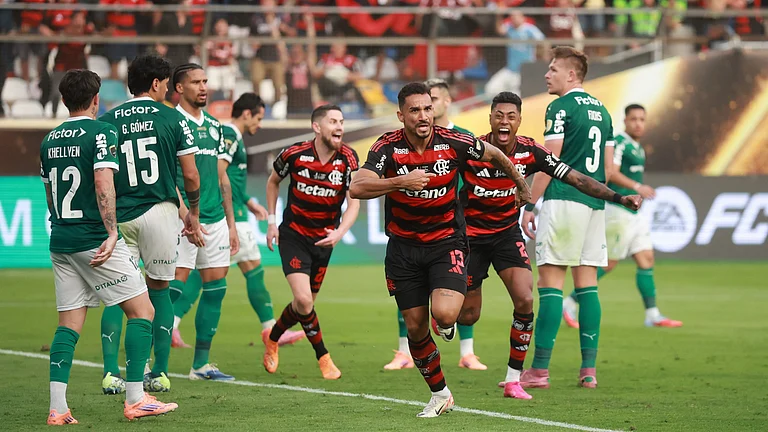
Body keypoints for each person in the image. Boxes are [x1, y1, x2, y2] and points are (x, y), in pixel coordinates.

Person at [348, 82, 532, 418]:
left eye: (427, 109)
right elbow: (357, 186)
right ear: (401, 115)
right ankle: (440, 394)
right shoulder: (387, 147)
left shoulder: (454, 142)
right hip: (403, 248)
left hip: (446, 241)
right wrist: (398, 182)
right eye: (415, 110)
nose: (423, 115)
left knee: (445, 315)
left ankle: (447, 325)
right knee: (416, 328)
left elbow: (495, 154)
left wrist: (520, 183)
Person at [463, 92, 642, 399]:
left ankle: (516, 378)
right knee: (466, 316)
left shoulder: (531, 151)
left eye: (511, 116)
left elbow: (576, 178)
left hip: (507, 235)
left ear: (519, 121)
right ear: (490, 118)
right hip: (471, 238)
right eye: (499, 115)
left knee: (526, 299)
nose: (504, 122)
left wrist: (617, 197)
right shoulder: (470, 150)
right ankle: (582, 369)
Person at [41, 69, 177, 425]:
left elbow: (48, 194)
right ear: (96, 98)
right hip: (93, 239)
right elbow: (103, 182)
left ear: (63, 100)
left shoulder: (49, 140)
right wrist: (111, 231)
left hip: (62, 240)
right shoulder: (102, 132)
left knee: (68, 324)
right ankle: (135, 398)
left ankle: (58, 408)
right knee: (142, 310)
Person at [97, 55, 203, 395]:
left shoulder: (109, 119)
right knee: (159, 291)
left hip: (122, 214)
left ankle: (112, 373)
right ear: (156, 84)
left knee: (116, 294)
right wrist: (194, 212)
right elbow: (189, 173)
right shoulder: (173, 117)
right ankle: (159, 372)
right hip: (160, 212)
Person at [520, 46, 615, 389]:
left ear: (571, 75)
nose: (547, 75)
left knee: (550, 286)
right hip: (593, 205)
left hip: (563, 202)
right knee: (587, 285)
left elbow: (551, 160)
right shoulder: (603, 112)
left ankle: (539, 370)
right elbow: (607, 168)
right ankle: (588, 369)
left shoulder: (559, 107)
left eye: (553, 69)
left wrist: (530, 203)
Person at [383, 77, 483, 372]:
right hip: (408, 232)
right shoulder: (397, 144)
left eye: (433, 102)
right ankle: (404, 349)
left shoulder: (461, 139)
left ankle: (467, 350)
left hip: (452, 225)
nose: (427, 111)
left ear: (446, 102)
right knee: (413, 299)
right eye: (419, 107)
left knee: (453, 299)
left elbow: (478, 176)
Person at [262, 104, 360, 380]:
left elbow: (354, 203)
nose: (339, 126)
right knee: (305, 300)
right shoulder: (294, 154)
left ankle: (273, 338)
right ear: (317, 127)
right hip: (294, 236)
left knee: (302, 306)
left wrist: (339, 232)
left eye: (341, 121)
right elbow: (272, 182)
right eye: (333, 121)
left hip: (324, 241)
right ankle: (324, 358)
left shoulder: (349, 159)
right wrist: (271, 221)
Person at [563, 104, 682, 329]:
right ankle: (569, 303)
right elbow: (612, 172)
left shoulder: (637, 147)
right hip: (618, 211)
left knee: (646, 259)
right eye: (634, 119)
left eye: (642, 119)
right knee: (608, 263)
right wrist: (637, 186)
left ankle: (652, 314)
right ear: (625, 120)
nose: (638, 123)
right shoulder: (619, 142)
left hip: (634, 214)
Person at [169, 63, 240, 381]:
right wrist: (187, 216)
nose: (203, 87)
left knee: (216, 290)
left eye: (205, 81)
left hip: (215, 219)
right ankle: (147, 365)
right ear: (179, 88)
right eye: (195, 82)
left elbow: (221, 178)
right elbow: (170, 177)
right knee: (168, 291)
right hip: (179, 221)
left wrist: (232, 223)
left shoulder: (216, 126)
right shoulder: (170, 122)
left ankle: (200, 365)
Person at [220, 92, 306, 345]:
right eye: (258, 118)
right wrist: (233, 215)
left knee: (208, 273)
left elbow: (231, 178)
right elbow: (218, 174)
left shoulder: (229, 134)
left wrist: (248, 201)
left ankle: (173, 326)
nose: (259, 124)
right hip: (230, 214)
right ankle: (270, 329)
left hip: (235, 207)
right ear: (246, 114)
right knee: (238, 272)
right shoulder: (230, 134)